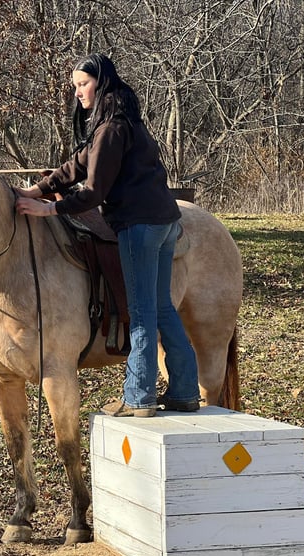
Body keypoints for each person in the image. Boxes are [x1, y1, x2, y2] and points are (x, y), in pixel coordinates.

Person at [15, 53, 199, 418]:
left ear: (101, 82)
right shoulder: (122, 119)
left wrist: (49, 208)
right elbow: (81, 161)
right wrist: (39, 189)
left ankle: (139, 397)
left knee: (142, 313)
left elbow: (95, 190)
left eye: (83, 84)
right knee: (162, 307)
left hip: (139, 227)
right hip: (165, 221)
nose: (78, 92)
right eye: (75, 86)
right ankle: (184, 391)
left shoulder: (110, 128)